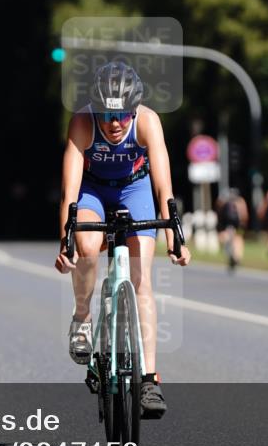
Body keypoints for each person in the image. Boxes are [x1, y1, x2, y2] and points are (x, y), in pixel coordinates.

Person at [54, 60, 190, 420]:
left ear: (134, 109)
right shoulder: (82, 122)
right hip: (93, 192)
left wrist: (174, 236)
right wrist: (65, 240)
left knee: (141, 277)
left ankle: (148, 379)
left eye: (123, 116)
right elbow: (70, 190)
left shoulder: (147, 121)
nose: (115, 125)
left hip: (135, 189)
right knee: (86, 249)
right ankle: (82, 317)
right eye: (107, 115)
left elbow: (164, 186)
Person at [215, 188, 249, 271]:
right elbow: (244, 213)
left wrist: (220, 221)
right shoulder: (240, 200)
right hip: (237, 221)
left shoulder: (224, 199)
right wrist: (244, 223)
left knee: (225, 234)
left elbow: (218, 208)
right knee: (238, 237)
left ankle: (226, 248)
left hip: (226, 220)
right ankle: (237, 257)